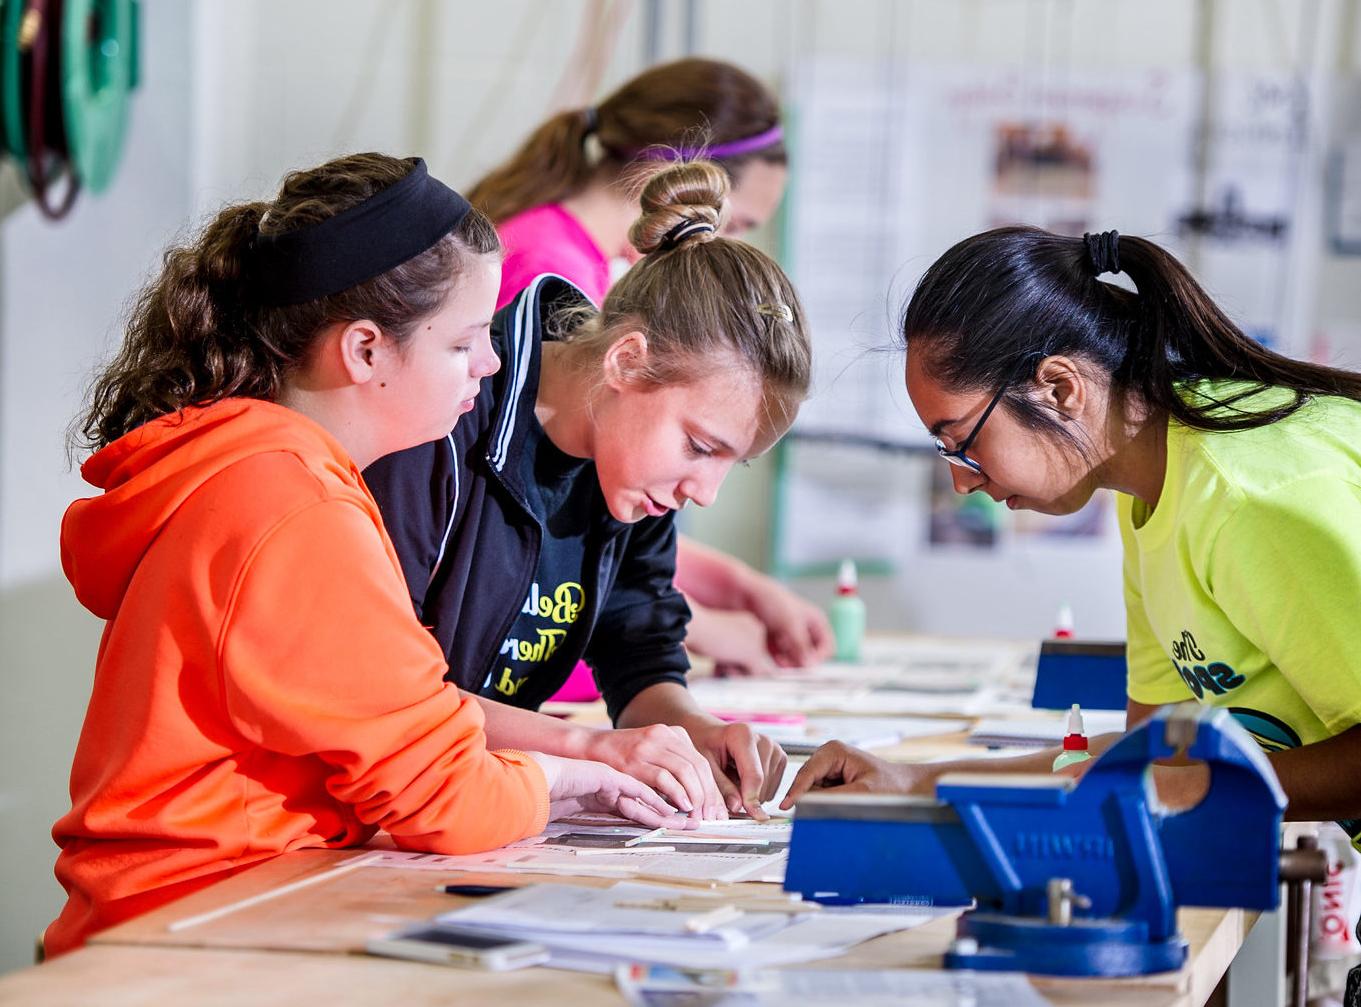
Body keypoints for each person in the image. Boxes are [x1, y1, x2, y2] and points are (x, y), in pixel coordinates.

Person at [47, 153, 685, 957]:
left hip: (198, 913)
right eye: (464, 341)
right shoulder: (292, 505)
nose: (491, 365)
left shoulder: (272, 473)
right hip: (195, 932)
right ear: (364, 351)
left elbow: (412, 719)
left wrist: (577, 751)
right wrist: (568, 779)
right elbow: (447, 797)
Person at [783, 225, 1361, 849]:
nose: (960, 482)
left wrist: (1189, 792)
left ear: (1059, 389)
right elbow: (1159, 752)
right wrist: (917, 779)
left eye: (965, 444)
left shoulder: (1247, 499)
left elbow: (1167, 782)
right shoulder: (1151, 492)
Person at [365, 160, 813, 821]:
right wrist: (592, 746)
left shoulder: (627, 469)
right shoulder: (444, 422)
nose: (705, 491)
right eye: (699, 446)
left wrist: (692, 729)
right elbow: (388, 692)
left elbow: (639, 649)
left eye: (729, 463)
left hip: (460, 801)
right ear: (625, 362)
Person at [468, 57, 832, 680]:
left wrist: (736, 587)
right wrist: (707, 628)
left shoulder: (575, 266)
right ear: (682, 178)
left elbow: (598, 521)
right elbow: (539, 537)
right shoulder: (555, 278)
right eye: (733, 226)